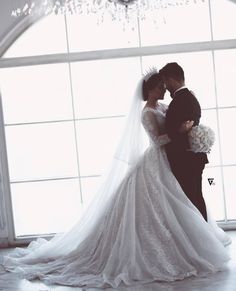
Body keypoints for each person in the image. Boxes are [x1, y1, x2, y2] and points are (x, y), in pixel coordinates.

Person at [1, 71, 231, 289]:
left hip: (167, 163)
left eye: (164, 85)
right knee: (155, 209)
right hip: (154, 162)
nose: (164, 89)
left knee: (176, 204)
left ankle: (186, 245)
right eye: (160, 86)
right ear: (150, 89)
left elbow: (174, 118)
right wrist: (179, 131)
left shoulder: (162, 106)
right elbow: (157, 140)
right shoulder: (147, 112)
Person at [159, 62, 208, 221]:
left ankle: (202, 238)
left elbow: (175, 131)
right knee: (195, 198)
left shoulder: (181, 100)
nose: (165, 87)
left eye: (165, 82)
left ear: (172, 79)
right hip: (192, 157)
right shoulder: (189, 97)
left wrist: (177, 132)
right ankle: (202, 237)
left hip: (185, 160)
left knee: (191, 200)